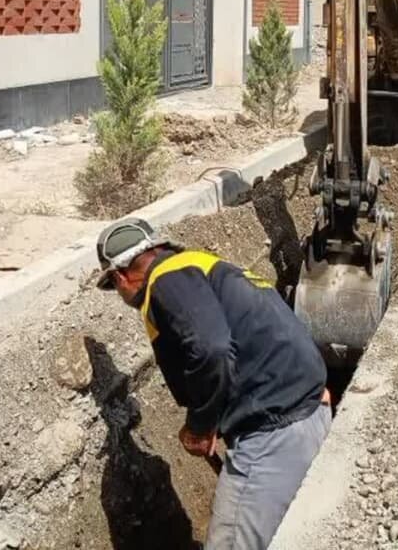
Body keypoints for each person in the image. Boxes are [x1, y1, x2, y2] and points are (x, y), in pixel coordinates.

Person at [96, 216, 330, 550]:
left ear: (120, 276)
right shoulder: (206, 267)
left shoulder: (166, 279)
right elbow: (268, 327)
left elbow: (212, 350)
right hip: (311, 412)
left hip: (272, 437)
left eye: (113, 287)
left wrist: (201, 425)